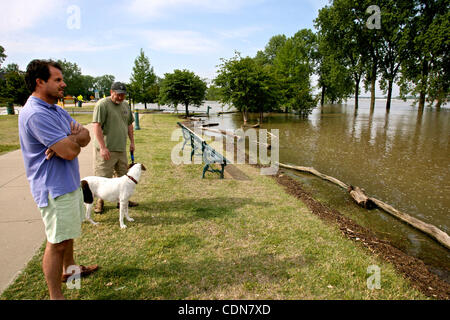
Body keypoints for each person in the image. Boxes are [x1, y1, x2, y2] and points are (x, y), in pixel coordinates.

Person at [19, 59, 98, 300]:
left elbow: (85, 136)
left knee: (67, 235)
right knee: (57, 243)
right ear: (39, 82)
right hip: (53, 188)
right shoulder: (35, 114)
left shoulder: (55, 109)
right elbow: (71, 151)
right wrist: (68, 140)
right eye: (58, 80)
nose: (63, 84)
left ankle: (70, 272)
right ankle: (56, 296)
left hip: (68, 183)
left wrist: (67, 139)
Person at [92, 82, 137, 213]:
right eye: (118, 95)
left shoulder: (125, 105)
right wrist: (102, 147)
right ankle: (100, 202)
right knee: (103, 177)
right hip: (107, 148)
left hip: (121, 148)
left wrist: (132, 142)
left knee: (123, 176)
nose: (121, 98)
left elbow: (129, 125)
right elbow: (96, 126)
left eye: (123, 95)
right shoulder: (102, 104)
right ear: (111, 92)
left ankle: (122, 200)